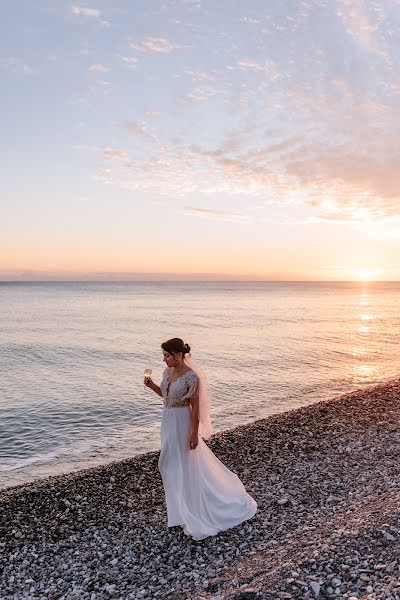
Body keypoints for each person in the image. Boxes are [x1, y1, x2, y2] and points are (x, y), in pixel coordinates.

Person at [144, 337, 257, 541]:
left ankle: (196, 510)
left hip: (183, 421)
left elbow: (194, 407)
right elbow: (168, 397)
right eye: (163, 355)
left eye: (167, 355)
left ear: (178, 355)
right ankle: (181, 511)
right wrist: (152, 385)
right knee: (168, 464)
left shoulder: (191, 377)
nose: (164, 359)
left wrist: (194, 433)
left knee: (185, 465)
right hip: (168, 421)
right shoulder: (166, 372)